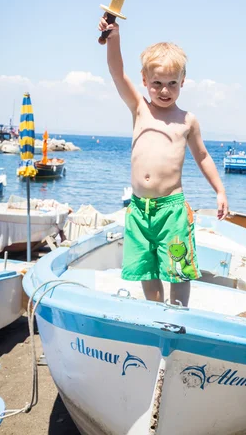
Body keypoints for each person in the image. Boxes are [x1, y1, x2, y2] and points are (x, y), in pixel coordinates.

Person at [98, 16, 229, 307]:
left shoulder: (187, 121)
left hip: (171, 209)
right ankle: (155, 312)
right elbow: (116, 72)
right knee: (147, 269)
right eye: (157, 83)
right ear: (145, 81)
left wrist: (220, 190)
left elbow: (203, 156)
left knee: (178, 269)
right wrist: (114, 36)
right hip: (139, 210)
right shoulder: (139, 109)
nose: (165, 90)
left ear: (183, 81)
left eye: (172, 83)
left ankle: (178, 313)